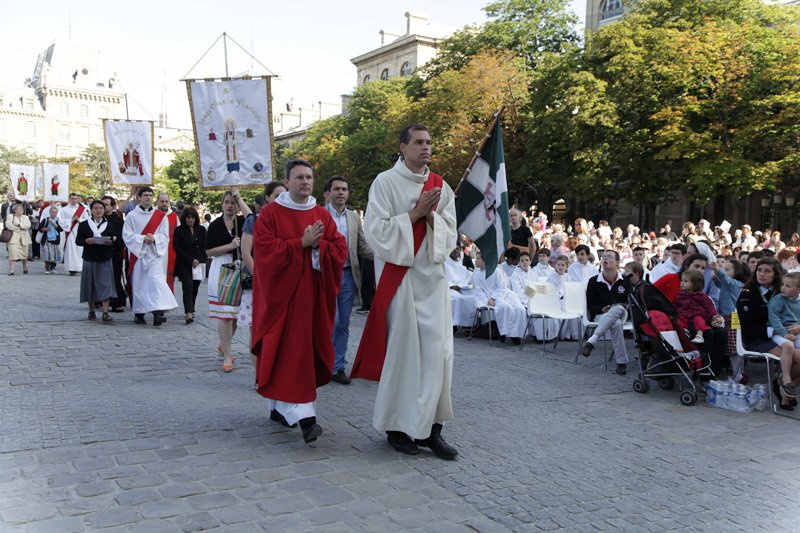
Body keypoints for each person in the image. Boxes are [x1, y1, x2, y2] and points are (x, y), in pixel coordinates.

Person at [350, 124, 459, 460]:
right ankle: (398, 429)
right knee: (406, 355)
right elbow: (377, 233)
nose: (426, 148)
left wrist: (431, 218)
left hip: (433, 281)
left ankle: (431, 430)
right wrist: (415, 213)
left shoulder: (440, 185)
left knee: (439, 355)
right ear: (403, 147)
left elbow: (451, 233)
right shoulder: (384, 182)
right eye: (419, 142)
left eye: (429, 142)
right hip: (402, 280)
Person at [251, 158, 347, 444]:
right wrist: (300, 244)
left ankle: (281, 407)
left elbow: (339, 248)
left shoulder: (320, 214)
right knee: (289, 352)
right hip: (282, 299)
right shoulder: (270, 214)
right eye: (299, 178)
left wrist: (318, 245)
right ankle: (306, 418)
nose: (305, 182)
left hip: (311, 298)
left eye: (309, 177)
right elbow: (265, 252)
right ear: (288, 182)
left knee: (300, 353)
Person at [323, 175, 373, 385]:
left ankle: (338, 367)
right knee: (327, 322)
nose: (341, 193)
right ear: (328, 193)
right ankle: (321, 363)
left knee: (343, 323)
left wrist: (385, 258)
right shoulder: (318, 214)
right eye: (337, 189)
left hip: (346, 275)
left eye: (344, 189)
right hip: (324, 276)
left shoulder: (353, 217)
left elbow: (361, 246)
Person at [737, 257, 800, 410]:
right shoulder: (748, 293)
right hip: (759, 338)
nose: (762, 274)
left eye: (767, 271)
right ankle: (783, 385)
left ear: (776, 274)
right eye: (759, 270)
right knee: (795, 356)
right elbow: (746, 325)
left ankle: (782, 386)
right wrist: (776, 331)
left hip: (785, 336)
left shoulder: (783, 290)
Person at [240, 181, 286, 378]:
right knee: (258, 330)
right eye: (277, 196)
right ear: (267, 198)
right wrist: (261, 277)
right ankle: (260, 374)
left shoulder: (289, 218)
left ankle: (277, 370)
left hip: (282, 282)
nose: (281, 200)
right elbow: (246, 252)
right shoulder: (253, 220)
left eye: (284, 195)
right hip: (259, 283)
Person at [206, 189, 251, 372]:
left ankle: (224, 344)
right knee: (225, 314)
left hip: (240, 268)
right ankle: (227, 355)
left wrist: (240, 197)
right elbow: (208, 252)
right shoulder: (215, 225)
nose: (230, 205)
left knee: (233, 315)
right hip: (222, 269)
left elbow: (253, 219)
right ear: (222, 204)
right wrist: (230, 246)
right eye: (227, 202)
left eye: (233, 202)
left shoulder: (242, 222)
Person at [122, 187, 178, 326]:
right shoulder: (131, 216)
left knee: (156, 283)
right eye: (145, 195)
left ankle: (158, 314)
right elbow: (127, 235)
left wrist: (154, 238)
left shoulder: (160, 216)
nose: (148, 198)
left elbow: (165, 236)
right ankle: (139, 314)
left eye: (151, 195)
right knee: (140, 284)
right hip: (139, 255)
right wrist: (141, 239)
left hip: (154, 254)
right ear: (139, 198)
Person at [581, 250, 630, 375]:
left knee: (618, 308)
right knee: (616, 324)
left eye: (609, 257)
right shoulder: (593, 281)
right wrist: (601, 309)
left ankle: (592, 340)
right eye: (604, 257)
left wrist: (620, 306)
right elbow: (590, 304)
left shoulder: (624, 280)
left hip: (622, 313)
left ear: (617, 262)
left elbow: (629, 302)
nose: (605, 259)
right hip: (601, 315)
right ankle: (621, 362)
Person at [76, 201, 118, 322]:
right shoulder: (84, 225)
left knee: (106, 284)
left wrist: (111, 242)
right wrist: (86, 241)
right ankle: (91, 310)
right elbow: (78, 241)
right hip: (90, 257)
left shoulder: (109, 225)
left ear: (104, 210)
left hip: (104, 256)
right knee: (90, 284)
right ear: (91, 210)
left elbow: (115, 238)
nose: (98, 210)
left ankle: (105, 312)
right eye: (95, 208)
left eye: (101, 208)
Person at [473, 251, 527, 344]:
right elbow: (478, 290)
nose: (475, 261)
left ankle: (516, 334)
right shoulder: (476, 274)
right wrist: (487, 299)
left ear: (485, 260)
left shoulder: (496, 271)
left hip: (503, 294)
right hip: (488, 296)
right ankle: (504, 333)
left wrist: (494, 298)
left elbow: (501, 287)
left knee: (520, 309)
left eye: (478, 259)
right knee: (505, 307)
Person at [767, 272, 800, 403]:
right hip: (779, 332)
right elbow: (773, 317)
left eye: (788, 286)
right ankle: (786, 381)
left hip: (796, 332)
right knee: (788, 346)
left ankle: (786, 388)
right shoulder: (778, 299)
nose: (783, 288)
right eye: (783, 284)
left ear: (798, 289)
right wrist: (783, 332)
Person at [172, 206, 207, 325]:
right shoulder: (179, 230)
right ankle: (188, 312)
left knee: (195, 286)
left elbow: (205, 246)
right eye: (188, 218)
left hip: (198, 263)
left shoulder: (201, 230)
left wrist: (199, 259)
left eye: (192, 218)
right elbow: (177, 248)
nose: (190, 220)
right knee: (187, 286)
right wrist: (190, 260)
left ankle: (191, 307)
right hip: (184, 263)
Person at [673, 270, 721, 345]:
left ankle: (699, 335)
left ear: (695, 284)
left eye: (686, 281)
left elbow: (710, 307)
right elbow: (675, 306)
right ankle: (684, 330)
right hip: (684, 314)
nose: (682, 283)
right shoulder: (680, 295)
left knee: (698, 319)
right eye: (682, 280)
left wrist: (715, 316)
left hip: (697, 314)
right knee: (679, 318)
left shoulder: (702, 296)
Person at [101, 196, 127, 312]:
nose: (103, 207)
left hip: (115, 252)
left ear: (112, 206)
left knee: (115, 278)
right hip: (100, 252)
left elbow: (124, 237)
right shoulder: (97, 219)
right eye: (102, 204)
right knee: (101, 278)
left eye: (106, 204)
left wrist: (115, 239)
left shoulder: (118, 220)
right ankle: (100, 300)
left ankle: (117, 302)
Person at [59, 193, 89, 276]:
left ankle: (81, 267)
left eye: (76, 198)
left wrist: (78, 219)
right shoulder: (64, 209)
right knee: (71, 250)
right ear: (69, 199)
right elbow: (60, 220)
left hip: (80, 231)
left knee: (80, 249)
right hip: (70, 232)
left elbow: (87, 219)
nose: (74, 200)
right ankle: (72, 269)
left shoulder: (83, 209)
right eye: (72, 198)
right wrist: (71, 220)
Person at [445, 246, 475, 329]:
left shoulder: (461, 265)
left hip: (462, 287)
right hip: (450, 288)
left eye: (458, 249)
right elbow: (443, 278)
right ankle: (454, 324)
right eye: (453, 248)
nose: (456, 250)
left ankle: (469, 325)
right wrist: (451, 286)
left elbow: (467, 278)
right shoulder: (444, 263)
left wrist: (465, 285)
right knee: (457, 298)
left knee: (473, 297)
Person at [157, 192, 179, 293]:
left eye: (166, 201)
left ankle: (169, 299)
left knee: (170, 276)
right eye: (162, 201)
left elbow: (179, 234)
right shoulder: (153, 215)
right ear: (157, 202)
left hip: (171, 251)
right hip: (156, 251)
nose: (164, 204)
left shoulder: (174, 216)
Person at [5, 204, 31, 275]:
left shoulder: (25, 217)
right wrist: (21, 227)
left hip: (24, 238)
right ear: (15, 210)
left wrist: (19, 225)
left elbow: (28, 225)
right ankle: (12, 270)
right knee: (12, 254)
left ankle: (25, 268)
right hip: (13, 238)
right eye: (19, 209)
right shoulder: (10, 216)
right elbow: (9, 225)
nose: (21, 210)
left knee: (24, 255)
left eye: (22, 208)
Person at [39, 206, 64, 273]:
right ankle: (47, 268)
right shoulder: (46, 219)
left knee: (54, 254)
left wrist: (55, 224)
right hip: (46, 239)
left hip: (55, 240)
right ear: (50, 212)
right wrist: (45, 229)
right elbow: (40, 228)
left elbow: (61, 229)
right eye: (52, 212)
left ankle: (53, 267)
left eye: (55, 212)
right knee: (47, 254)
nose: (54, 213)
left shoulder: (59, 220)